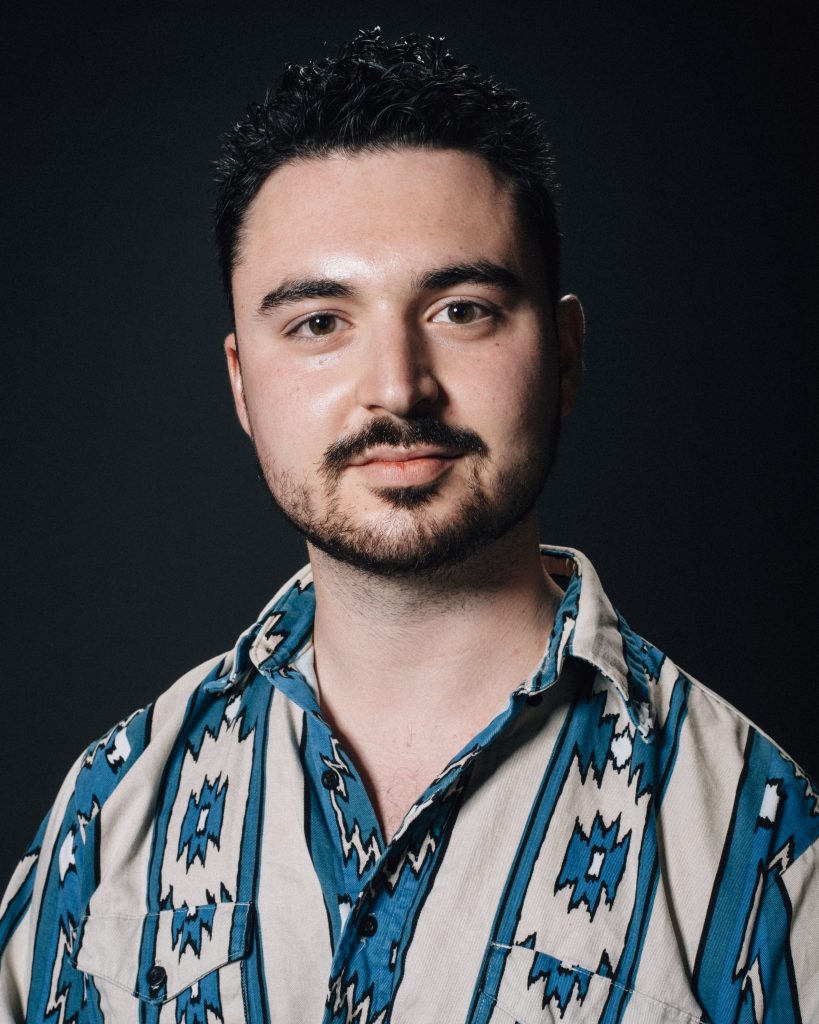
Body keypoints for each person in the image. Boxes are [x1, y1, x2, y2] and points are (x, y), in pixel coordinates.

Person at [0, 27, 816, 1024]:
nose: (396, 387)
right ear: (241, 383)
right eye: (318, 322)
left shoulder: (760, 842)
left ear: (562, 354)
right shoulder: (110, 816)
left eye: (461, 308)